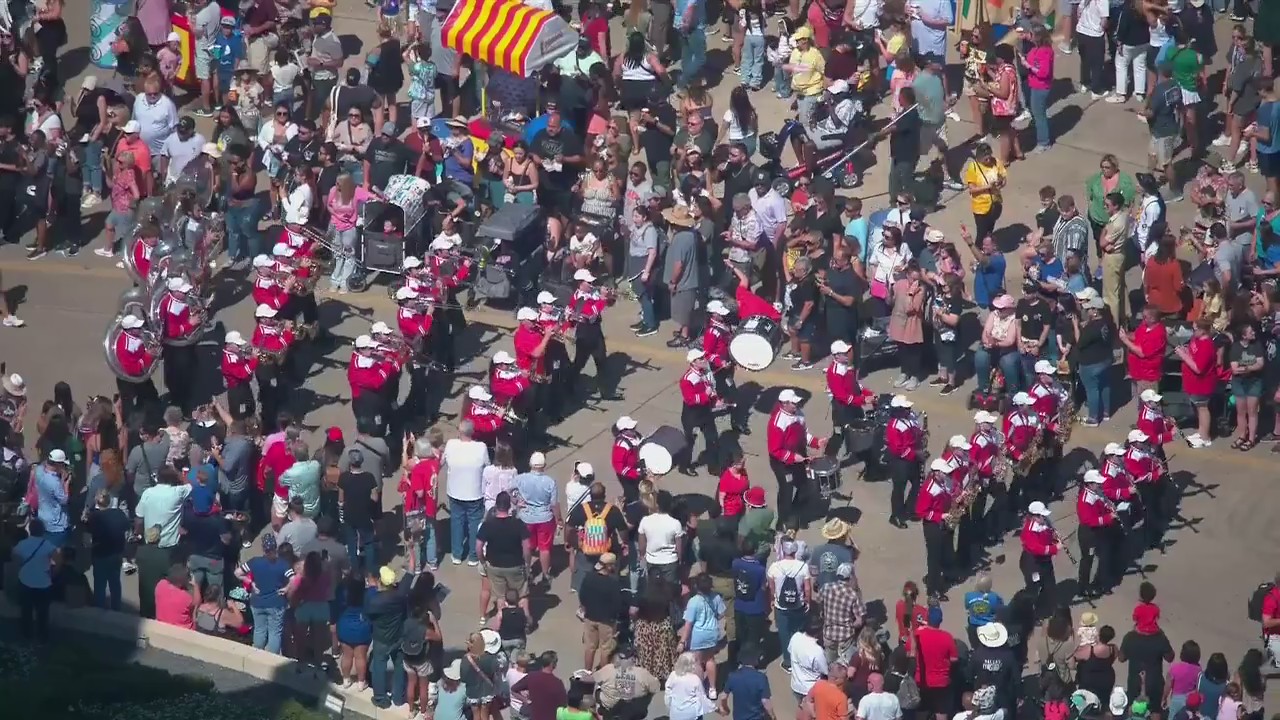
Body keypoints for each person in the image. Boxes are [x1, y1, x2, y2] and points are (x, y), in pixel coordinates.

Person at [11, 518, 60, 641]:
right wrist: (52, 574)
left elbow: (15, 561)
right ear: (42, 531)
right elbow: (58, 561)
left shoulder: (22, 544)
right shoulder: (47, 545)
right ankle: (42, 637)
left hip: (25, 582)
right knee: (43, 613)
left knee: (26, 611)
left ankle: (26, 635)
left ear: (30, 530)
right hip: (43, 583)